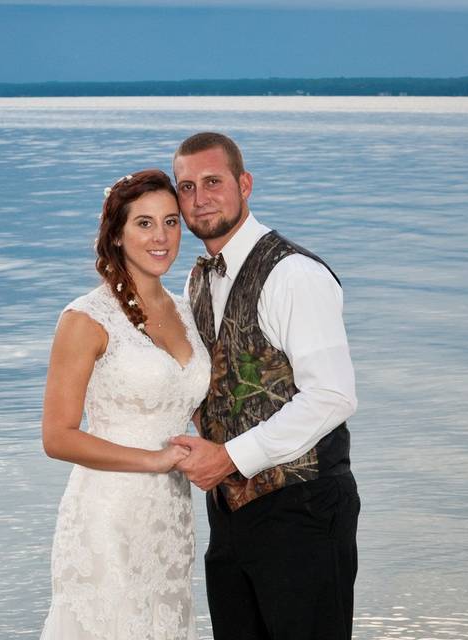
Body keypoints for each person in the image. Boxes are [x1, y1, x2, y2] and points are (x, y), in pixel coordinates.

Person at [170, 132, 360, 640]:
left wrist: (230, 457)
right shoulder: (197, 280)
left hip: (304, 509)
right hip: (229, 518)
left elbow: (333, 395)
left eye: (212, 182)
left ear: (245, 184)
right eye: (186, 187)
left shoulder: (293, 274)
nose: (199, 197)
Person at [38, 169, 211, 639]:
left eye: (172, 222)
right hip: (107, 514)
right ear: (116, 234)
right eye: (144, 223)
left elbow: (193, 402)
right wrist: (154, 460)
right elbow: (57, 437)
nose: (161, 237)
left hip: (171, 519)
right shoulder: (86, 319)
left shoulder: (187, 309)